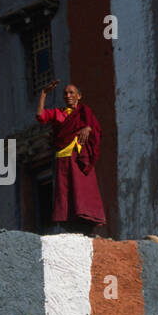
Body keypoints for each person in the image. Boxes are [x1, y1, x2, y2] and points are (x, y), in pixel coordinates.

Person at [36, 80, 106, 234]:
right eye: (65, 93)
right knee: (65, 193)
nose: (68, 96)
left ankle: (87, 223)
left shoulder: (84, 112)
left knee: (82, 191)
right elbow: (40, 116)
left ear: (79, 96)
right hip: (62, 158)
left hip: (80, 159)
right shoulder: (59, 114)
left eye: (71, 93)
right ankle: (67, 224)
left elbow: (96, 129)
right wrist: (43, 94)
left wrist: (88, 128)